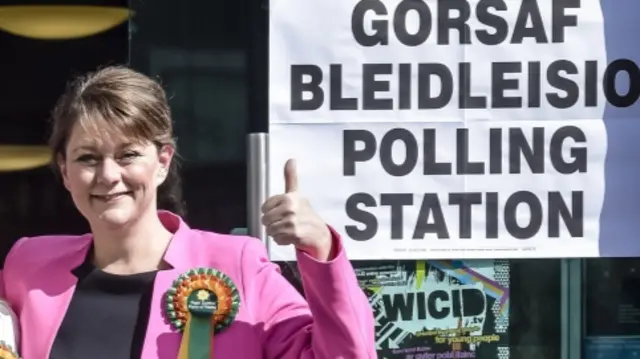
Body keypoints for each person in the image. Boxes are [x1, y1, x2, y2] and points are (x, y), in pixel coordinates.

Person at [0, 66, 376, 359]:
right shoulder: (28, 265)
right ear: (65, 171)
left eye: (128, 154)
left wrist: (321, 248)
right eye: (88, 158)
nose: (108, 175)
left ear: (163, 161)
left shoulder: (237, 265)